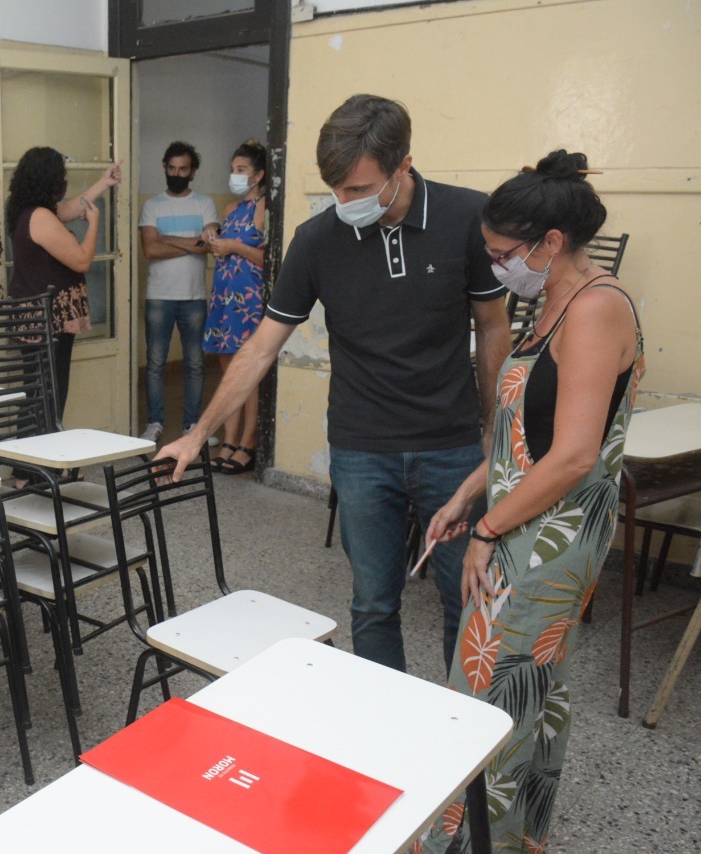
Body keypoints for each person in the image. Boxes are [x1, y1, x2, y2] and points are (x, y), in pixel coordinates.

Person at [159, 95, 511, 673]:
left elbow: (493, 327)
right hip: (361, 448)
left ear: (403, 165)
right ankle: (381, 719)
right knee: (373, 604)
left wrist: (495, 431)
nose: (345, 203)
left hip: (450, 446)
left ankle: (465, 724)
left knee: (466, 600)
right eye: (336, 190)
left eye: (358, 189)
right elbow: (262, 345)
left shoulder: (466, 217)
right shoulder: (318, 238)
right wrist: (199, 434)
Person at [416, 151, 643, 853]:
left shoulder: (597, 308)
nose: (496, 267)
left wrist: (486, 530)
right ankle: (508, 838)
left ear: (551, 242)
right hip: (519, 516)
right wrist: (466, 495)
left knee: (492, 691)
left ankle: (467, 840)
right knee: (522, 689)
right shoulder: (552, 302)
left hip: (549, 538)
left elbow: (573, 455)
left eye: (503, 254)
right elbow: (523, 436)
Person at [5, 146, 122, 425]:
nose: (64, 182)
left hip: (42, 318)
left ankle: (33, 451)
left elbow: (69, 210)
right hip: (48, 320)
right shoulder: (40, 216)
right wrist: (94, 224)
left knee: (41, 395)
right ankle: (38, 452)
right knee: (49, 397)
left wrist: (103, 183)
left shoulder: (27, 208)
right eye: (61, 177)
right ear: (50, 180)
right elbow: (81, 261)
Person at [138, 141, 219, 444]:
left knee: (195, 364)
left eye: (183, 169)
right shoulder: (152, 205)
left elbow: (208, 245)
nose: (176, 174)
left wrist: (168, 238)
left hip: (194, 297)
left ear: (193, 172)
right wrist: (191, 243)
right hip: (159, 296)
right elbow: (150, 250)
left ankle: (192, 426)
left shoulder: (205, 204)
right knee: (155, 363)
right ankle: (154, 423)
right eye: (172, 168)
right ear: (164, 168)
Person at [201, 139, 269, 474]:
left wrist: (233, 246)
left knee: (247, 372)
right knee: (228, 371)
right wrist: (212, 232)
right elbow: (221, 243)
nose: (236, 175)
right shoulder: (230, 209)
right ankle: (228, 441)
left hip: (248, 299)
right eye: (233, 169)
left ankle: (247, 442)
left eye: (242, 170)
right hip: (224, 296)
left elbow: (267, 258)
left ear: (258, 175)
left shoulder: (264, 207)